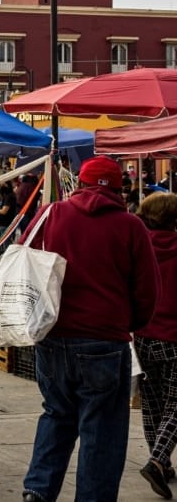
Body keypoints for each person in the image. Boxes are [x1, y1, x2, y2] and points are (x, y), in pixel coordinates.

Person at [20, 156, 160, 502]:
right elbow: (147, 292)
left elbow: (24, 260)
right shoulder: (130, 227)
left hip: (52, 335)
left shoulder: (51, 214)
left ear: (79, 183)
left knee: (56, 414)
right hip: (104, 340)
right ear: (119, 188)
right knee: (102, 430)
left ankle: (37, 491)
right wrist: (128, 324)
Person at [134, 192, 177, 498]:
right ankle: (158, 460)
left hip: (143, 335)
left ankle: (161, 461)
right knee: (176, 403)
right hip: (175, 336)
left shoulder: (138, 246)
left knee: (152, 403)